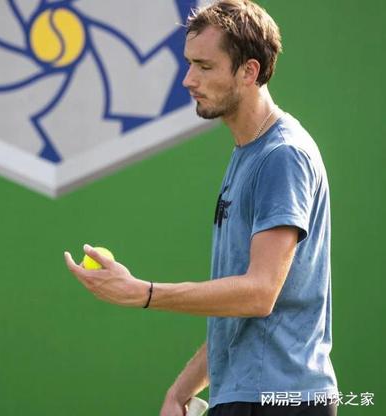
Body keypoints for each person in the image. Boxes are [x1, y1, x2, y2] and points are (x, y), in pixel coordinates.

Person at [64, 1, 338, 415]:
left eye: (205, 67)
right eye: (190, 64)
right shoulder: (248, 153)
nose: (189, 79)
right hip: (247, 396)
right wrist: (181, 390)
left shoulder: (282, 155)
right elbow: (238, 310)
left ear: (249, 71)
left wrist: (145, 293)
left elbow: (260, 293)